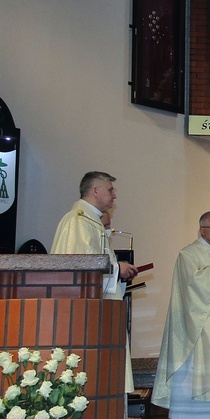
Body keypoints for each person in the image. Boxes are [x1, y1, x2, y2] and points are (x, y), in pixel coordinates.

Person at [50, 171, 139, 400]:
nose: (114, 195)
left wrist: (117, 270)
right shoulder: (79, 221)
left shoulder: (91, 221)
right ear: (95, 191)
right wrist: (118, 269)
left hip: (99, 313)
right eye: (110, 190)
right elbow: (80, 270)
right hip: (84, 317)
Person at [152, 211, 210, 417]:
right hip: (196, 332)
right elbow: (193, 287)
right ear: (201, 230)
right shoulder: (188, 255)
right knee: (192, 383)